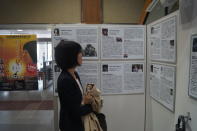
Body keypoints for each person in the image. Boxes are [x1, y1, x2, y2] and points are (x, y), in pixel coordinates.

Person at [55, 40, 93, 131]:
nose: (82, 55)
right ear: (71, 56)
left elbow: (76, 101)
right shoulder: (65, 80)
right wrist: (91, 105)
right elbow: (75, 111)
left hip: (77, 122)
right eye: (79, 52)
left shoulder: (74, 74)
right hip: (71, 126)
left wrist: (85, 100)